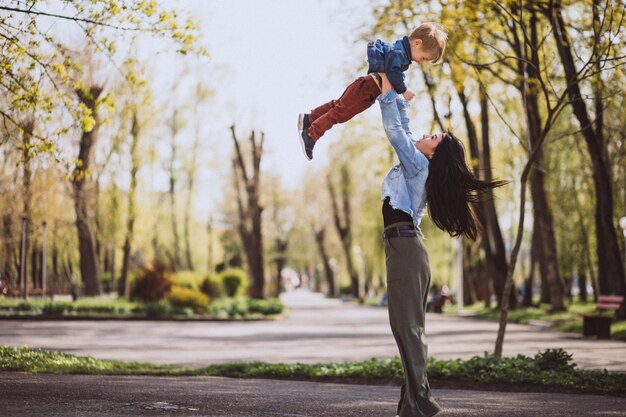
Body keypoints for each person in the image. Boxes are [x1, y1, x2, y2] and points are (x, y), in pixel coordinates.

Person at [377, 74, 507, 417]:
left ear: (435, 153)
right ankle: (410, 406)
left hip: (404, 248)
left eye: (432, 137)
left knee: (407, 329)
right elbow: (404, 132)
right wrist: (402, 99)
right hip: (404, 247)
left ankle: (423, 402)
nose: (425, 135)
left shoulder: (418, 164)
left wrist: (388, 96)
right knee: (407, 328)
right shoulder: (419, 162)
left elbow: (395, 134)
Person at [297, 22, 447, 160]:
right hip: (367, 89)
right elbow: (392, 72)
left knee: (338, 106)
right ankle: (311, 135)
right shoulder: (399, 54)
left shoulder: (400, 52)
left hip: (366, 86)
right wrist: (404, 90)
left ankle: (309, 119)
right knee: (340, 113)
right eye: (423, 57)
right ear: (417, 43)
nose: (421, 61)